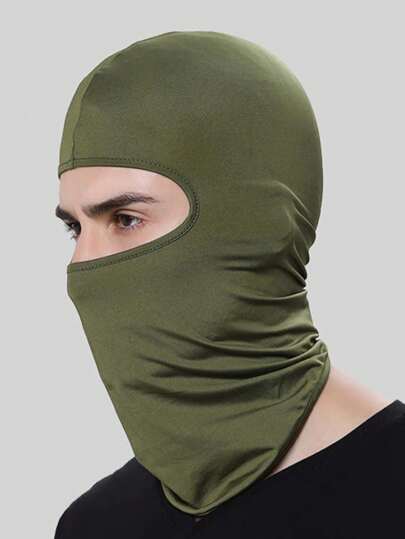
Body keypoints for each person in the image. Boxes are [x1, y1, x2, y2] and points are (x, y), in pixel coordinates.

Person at [53, 31, 405, 538]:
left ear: (258, 224)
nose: (82, 266)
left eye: (126, 219)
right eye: (75, 228)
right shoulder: (97, 524)